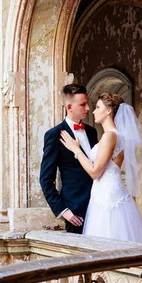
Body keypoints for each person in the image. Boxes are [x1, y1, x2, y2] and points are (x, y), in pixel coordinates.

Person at [59, 93, 142, 244]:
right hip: (104, 192)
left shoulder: (110, 136)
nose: (93, 111)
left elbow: (95, 172)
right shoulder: (115, 135)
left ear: (108, 110)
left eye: (97, 107)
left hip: (107, 197)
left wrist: (76, 150)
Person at [39, 84, 98, 233]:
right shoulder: (54, 135)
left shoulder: (92, 132)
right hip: (76, 209)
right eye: (83, 104)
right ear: (69, 106)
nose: (88, 108)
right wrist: (64, 211)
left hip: (99, 204)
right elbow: (45, 179)